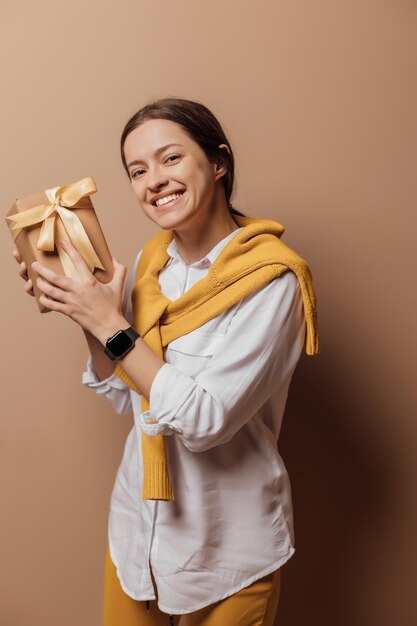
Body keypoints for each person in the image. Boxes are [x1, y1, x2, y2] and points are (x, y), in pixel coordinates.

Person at [12, 97, 319, 626]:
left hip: (228, 553)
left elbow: (204, 421)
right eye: (137, 170)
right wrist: (88, 314)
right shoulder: (154, 265)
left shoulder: (274, 282)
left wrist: (111, 323)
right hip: (137, 537)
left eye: (170, 159)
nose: (154, 180)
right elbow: (125, 394)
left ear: (218, 162)